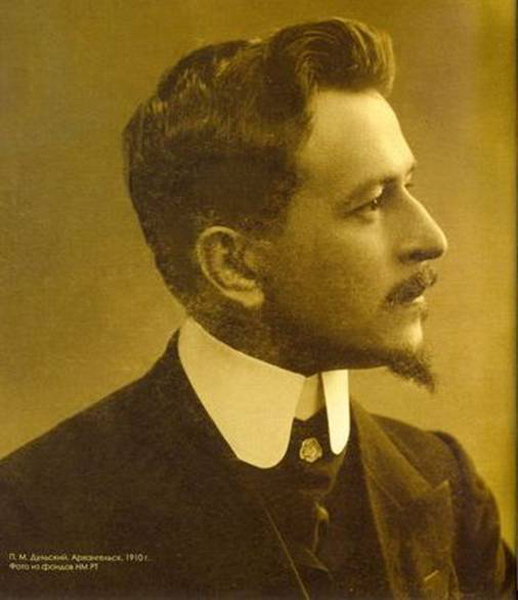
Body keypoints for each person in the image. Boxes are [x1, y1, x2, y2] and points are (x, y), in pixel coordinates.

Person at [0, 18, 514, 599]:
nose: (431, 238)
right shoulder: (35, 513)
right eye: (371, 202)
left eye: (408, 187)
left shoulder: (445, 482)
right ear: (235, 265)